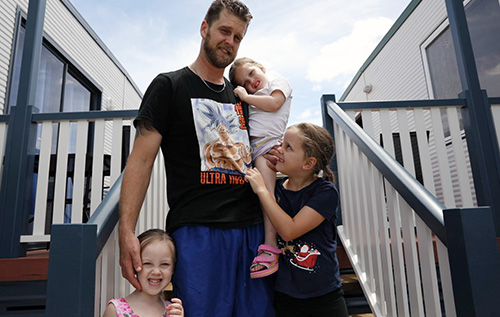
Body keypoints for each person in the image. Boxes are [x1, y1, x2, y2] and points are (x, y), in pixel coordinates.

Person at [118, 1, 275, 316]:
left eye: (238, 37)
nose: (230, 41)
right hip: (197, 231)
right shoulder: (169, 86)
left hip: (251, 231)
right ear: (205, 29)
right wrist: (126, 230)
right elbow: (141, 160)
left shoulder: (241, 96)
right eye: (224, 31)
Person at [245, 123, 349, 317]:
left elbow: (289, 230)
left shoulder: (325, 192)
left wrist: (261, 189)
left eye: (288, 147)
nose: (278, 149)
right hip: (286, 297)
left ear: (308, 164)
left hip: (325, 299)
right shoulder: (276, 189)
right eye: (281, 143)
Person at [229, 57, 292, 279]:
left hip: (273, 144)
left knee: (269, 195)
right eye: (245, 82)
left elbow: (275, 103)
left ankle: (271, 245)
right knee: (264, 195)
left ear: (262, 67)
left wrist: (246, 96)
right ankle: (272, 246)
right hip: (254, 150)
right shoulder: (252, 98)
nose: (251, 81)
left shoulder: (278, 82)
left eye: (252, 73)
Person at [103, 229, 184, 317]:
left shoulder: (172, 311)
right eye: (147, 263)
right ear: (134, 265)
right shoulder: (115, 310)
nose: (156, 272)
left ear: (173, 268)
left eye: (164, 264)